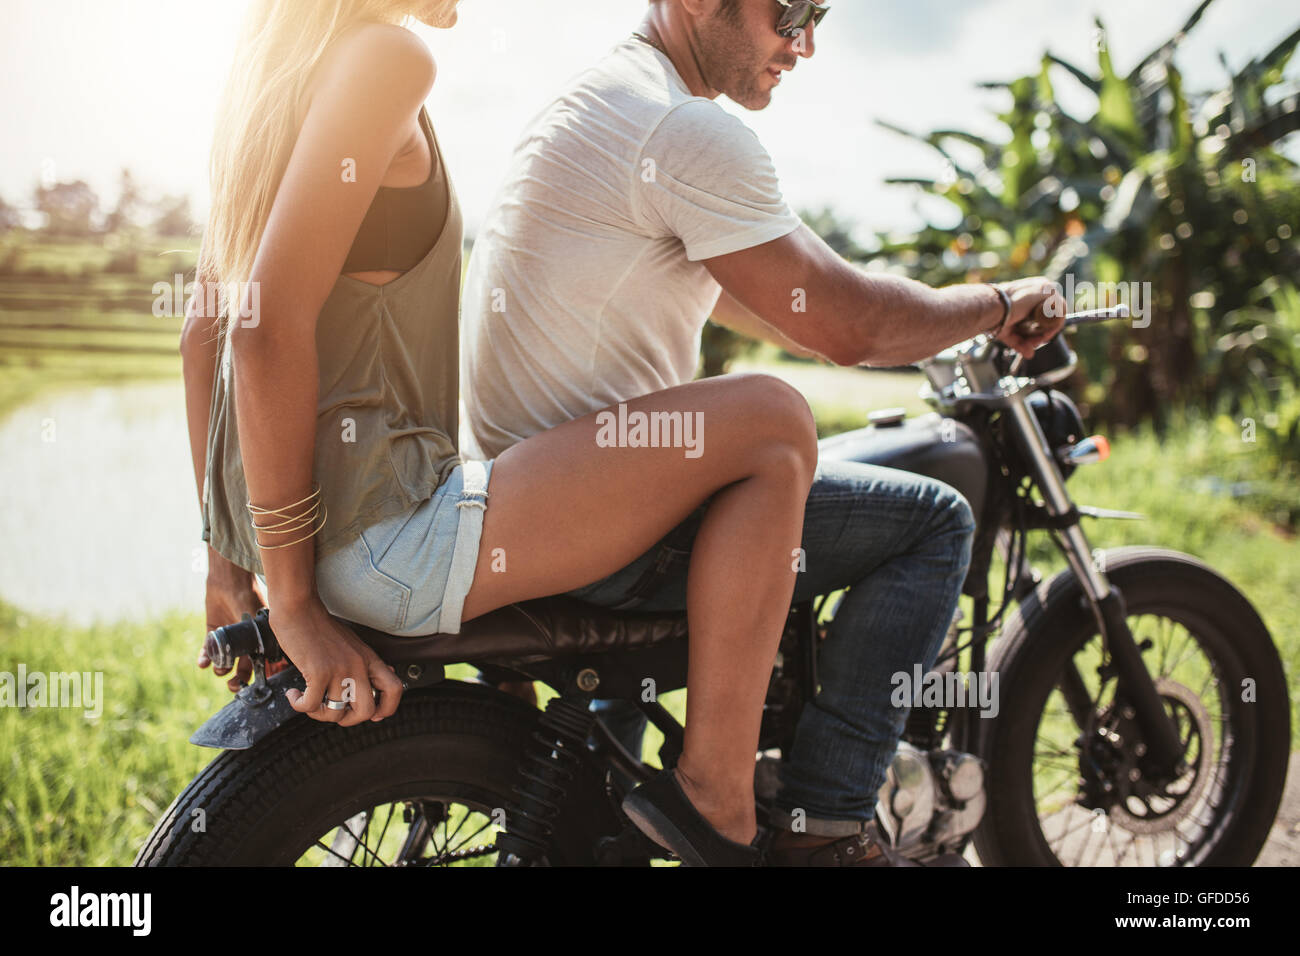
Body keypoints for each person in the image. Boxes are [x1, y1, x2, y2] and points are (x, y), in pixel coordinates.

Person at [183, 0, 828, 866]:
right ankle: (720, 802)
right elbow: (260, 331)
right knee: (773, 420)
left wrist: (230, 558)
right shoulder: (384, 60)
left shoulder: (279, 73)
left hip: (323, 531)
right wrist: (293, 607)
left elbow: (207, 327)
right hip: (388, 531)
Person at [460, 0, 1067, 866]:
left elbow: (798, 306)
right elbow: (848, 323)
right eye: (789, 12)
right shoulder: (685, 126)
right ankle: (826, 825)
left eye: (818, 15)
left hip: (527, 505)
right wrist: (999, 304)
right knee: (935, 522)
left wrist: (901, 316)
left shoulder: (602, 100)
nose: (806, 43)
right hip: (607, 532)